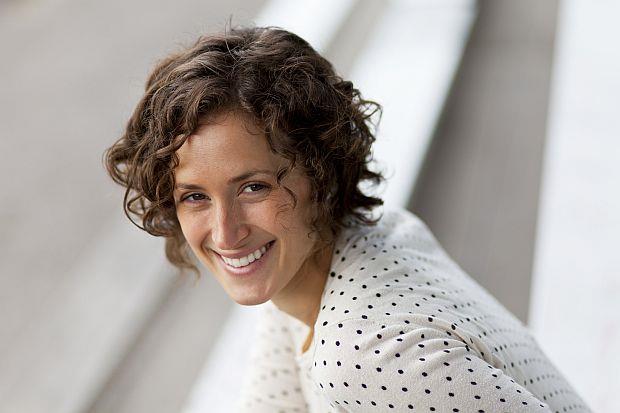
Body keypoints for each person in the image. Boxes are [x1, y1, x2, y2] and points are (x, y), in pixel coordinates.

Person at [103, 26, 591, 412]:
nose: (226, 232)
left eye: (254, 187)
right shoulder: (319, 264)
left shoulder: (364, 355)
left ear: (321, 173)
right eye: (194, 197)